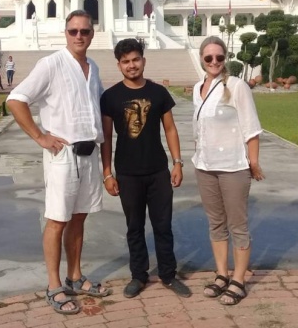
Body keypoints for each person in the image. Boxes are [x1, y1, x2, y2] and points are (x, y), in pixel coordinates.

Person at [6, 10, 111, 315]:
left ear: (92, 34)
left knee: (79, 218)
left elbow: (100, 109)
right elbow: (16, 99)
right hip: (62, 155)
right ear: (65, 33)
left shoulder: (93, 67)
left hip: (89, 152)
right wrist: (40, 137)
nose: (79, 36)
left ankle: (75, 276)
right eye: (74, 31)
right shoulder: (51, 64)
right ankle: (54, 285)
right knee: (57, 220)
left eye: (85, 31)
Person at [100, 38, 191, 299]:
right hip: (127, 173)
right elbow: (106, 137)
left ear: (143, 61)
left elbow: (170, 129)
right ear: (119, 65)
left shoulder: (158, 93)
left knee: (163, 225)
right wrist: (107, 173)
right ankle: (138, 276)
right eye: (126, 61)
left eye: (135, 59)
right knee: (135, 227)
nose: (132, 65)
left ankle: (168, 275)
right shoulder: (111, 97)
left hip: (158, 171)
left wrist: (177, 163)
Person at [192, 36, 265, 306]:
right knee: (216, 223)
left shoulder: (237, 86)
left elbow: (252, 129)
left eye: (219, 58)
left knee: (238, 224)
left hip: (233, 166)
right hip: (205, 165)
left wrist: (253, 163)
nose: (214, 62)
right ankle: (221, 273)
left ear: (225, 59)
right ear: (201, 59)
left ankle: (239, 278)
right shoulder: (198, 87)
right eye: (208, 58)